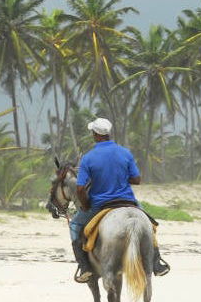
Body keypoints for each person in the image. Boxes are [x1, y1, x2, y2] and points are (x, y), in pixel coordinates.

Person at [68, 117, 170, 283]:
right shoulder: (125, 153)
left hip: (101, 204)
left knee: (74, 225)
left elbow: (80, 189)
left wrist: (86, 205)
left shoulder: (88, 157)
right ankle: (157, 263)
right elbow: (137, 179)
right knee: (149, 225)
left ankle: (84, 267)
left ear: (95, 134)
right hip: (129, 202)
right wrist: (119, 177)